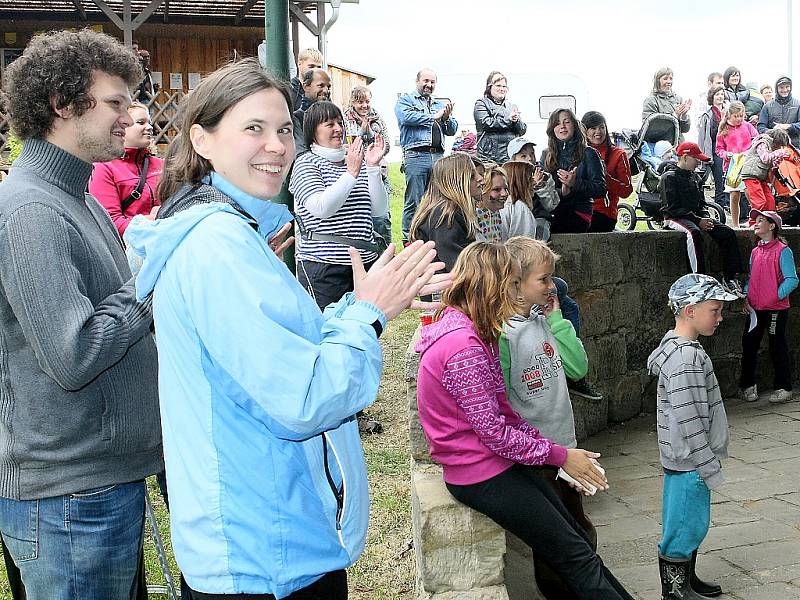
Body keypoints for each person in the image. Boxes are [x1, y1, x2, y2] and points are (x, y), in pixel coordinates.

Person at [125, 57, 448, 599]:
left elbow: (282, 352)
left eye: (283, 130)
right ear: (201, 140)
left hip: (265, 537)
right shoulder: (218, 250)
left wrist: (361, 308)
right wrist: (366, 317)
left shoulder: (235, 236)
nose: (276, 145)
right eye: (253, 128)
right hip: (264, 555)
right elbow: (302, 397)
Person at [0, 28, 162, 599]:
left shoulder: (78, 197)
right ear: (62, 105)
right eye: (115, 102)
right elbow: (75, 354)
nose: (130, 115)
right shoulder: (31, 211)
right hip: (69, 500)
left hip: (94, 487)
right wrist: (153, 282)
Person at [415, 241, 635, 600]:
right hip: (480, 473)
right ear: (494, 287)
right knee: (575, 555)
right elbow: (496, 433)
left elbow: (503, 412)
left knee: (577, 546)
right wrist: (562, 457)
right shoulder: (464, 347)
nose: (519, 294)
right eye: (514, 284)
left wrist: (555, 451)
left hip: (492, 465)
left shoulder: (474, 333)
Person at [501, 236, 599, 599]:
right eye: (543, 279)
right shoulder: (503, 335)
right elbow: (502, 402)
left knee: (579, 528)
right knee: (554, 539)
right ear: (514, 284)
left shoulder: (545, 322)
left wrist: (558, 321)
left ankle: (584, 585)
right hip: (536, 455)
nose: (551, 286)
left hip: (567, 447)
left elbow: (577, 367)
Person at [647, 273, 736, 600]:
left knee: (689, 522)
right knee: (685, 525)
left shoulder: (681, 349)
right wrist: (707, 464)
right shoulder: (686, 358)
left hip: (686, 459)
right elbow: (691, 417)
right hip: (691, 461)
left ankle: (687, 580)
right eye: (714, 310)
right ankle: (675, 592)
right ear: (689, 310)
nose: (720, 317)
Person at [289, 100, 389, 310]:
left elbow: (379, 210)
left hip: (364, 263)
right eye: (329, 124)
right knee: (330, 329)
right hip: (325, 266)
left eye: (339, 123)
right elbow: (321, 208)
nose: (338, 129)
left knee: (367, 326)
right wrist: (351, 173)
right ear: (313, 131)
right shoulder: (306, 163)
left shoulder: (353, 159)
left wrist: (371, 167)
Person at [660, 142, 746, 296]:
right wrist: (698, 220)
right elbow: (671, 208)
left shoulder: (695, 177)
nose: (699, 162)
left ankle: (731, 277)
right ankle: (699, 279)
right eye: (696, 159)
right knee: (693, 233)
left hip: (694, 217)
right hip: (674, 217)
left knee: (727, 233)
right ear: (685, 157)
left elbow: (701, 203)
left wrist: (705, 218)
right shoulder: (668, 177)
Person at [740, 210, 798, 404]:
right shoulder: (755, 251)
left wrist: (774, 296)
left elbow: (792, 279)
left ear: (772, 226)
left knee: (777, 346)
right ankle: (747, 385)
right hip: (755, 308)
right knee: (749, 344)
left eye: (761, 221)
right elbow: (751, 278)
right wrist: (747, 296)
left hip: (776, 309)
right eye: (755, 221)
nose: (756, 224)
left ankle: (784, 387)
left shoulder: (783, 251)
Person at [395, 68, 458, 241]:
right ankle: (409, 240)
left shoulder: (439, 104)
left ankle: (432, 238)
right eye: (426, 81)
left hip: (438, 157)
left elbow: (452, 129)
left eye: (432, 82)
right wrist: (433, 117)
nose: (429, 85)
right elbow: (406, 118)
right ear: (417, 82)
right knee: (414, 201)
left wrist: (446, 118)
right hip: (416, 156)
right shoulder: (406, 100)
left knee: (438, 200)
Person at [89, 101, 163, 236]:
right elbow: (109, 221)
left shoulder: (162, 165)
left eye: (149, 122)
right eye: (141, 122)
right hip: (129, 250)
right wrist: (155, 222)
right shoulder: (104, 167)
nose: (150, 127)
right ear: (123, 126)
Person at [410, 152, 480, 272]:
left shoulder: (447, 211)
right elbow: (455, 267)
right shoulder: (445, 216)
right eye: (472, 176)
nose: (481, 179)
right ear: (456, 181)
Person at [540, 108, 606, 234]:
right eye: (557, 123)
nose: (562, 126)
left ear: (575, 126)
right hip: (552, 210)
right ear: (552, 129)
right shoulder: (546, 154)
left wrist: (575, 183)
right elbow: (544, 190)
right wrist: (561, 191)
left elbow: (600, 189)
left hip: (579, 212)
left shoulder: (589, 153)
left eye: (567, 122)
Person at [343, 85, 392, 244]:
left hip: (377, 173)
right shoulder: (344, 120)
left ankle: (384, 252)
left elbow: (387, 146)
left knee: (381, 218)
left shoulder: (377, 119)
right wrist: (360, 133)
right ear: (352, 102)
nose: (364, 105)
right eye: (360, 102)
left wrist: (370, 133)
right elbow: (344, 146)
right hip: (354, 174)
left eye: (367, 101)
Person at [582, 111, 633, 232]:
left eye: (601, 127)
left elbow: (626, 191)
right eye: (593, 128)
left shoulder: (619, 154)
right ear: (584, 131)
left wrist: (605, 177)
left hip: (603, 214)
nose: (598, 132)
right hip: (580, 210)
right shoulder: (578, 153)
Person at [506, 136, 559, 241]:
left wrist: (540, 186)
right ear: (513, 160)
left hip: (538, 217)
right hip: (515, 218)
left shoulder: (545, 176)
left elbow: (551, 205)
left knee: (540, 232)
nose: (529, 159)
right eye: (523, 156)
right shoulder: (507, 177)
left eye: (532, 154)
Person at [715, 101, 757, 227]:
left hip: (747, 164)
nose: (739, 119)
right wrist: (727, 155)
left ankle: (754, 220)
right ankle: (735, 224)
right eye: (736, 116)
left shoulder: (748, 126)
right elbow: (718, 149)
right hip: (732, 167)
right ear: (729, 116)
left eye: (741, 116)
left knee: (750, 193)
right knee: (734, 196)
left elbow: (756, 139)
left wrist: (750, 151)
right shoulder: (723, 129)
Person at [474, 71, 527, 164]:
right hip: (489, 158)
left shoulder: (511, 106)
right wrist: (508, 120)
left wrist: (516, 121)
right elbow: (486, 123)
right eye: (498, 85)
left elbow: (522, 131)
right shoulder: (481, 103)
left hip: (510, 157)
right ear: (489, 87)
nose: (502, 89)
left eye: (504, 86)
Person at [741, 128, 791, 222]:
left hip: (761, 177)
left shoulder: (771, 148)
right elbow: (765, 158)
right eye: (780, 146)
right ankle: (753, 223)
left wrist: (778, 160)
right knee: (759, 201)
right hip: (752, 175)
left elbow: (770, 163)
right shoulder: (762, 143)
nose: (780, 148)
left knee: (770, 201)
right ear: (776, 142)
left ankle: (770, 222)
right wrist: (779, 153)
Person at [697, 85, 728, 208]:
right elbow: (704, 136)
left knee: (723, 182)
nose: (720, 97)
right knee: (704, 179)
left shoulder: (729, 112)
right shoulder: (707, 115)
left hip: (727, 149)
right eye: (717, 94)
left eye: (721, 94)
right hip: (712, 150)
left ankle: (722, 207)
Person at [642, 67, 692, 142]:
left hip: (679, 146)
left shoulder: (678, 99)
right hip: (661, 148)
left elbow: (685, 129)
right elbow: (650, 130)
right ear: (657, 81)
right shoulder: (651, 101)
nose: (669, 82)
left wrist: (684, 115)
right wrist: (674, 116)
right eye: (665, 79)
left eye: (671, 79)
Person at [292, 67, 332, 155]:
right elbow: (301, 155)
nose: (326, 91)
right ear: (306, 86)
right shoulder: (297, 119)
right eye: (320, 85)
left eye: (328, 87)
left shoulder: (333, 118)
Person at [499, 160, 538, 239]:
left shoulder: (501, 205)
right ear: (519, 181)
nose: (534, 183)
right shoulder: (520, 208)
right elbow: (523, 246)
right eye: (530, 178)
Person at [757, 76, 800, 147]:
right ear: (777, 89)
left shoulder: (798, 104)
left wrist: (789, 126)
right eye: (781, 87)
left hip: (794, 146)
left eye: (787, 86)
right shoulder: (767, 106)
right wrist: (773, 132)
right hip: (773, 146)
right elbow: (761, 126)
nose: (785, 90)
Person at [475, 161, 508, 243]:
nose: (505, 194)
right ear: (483, 189)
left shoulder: (496, 213)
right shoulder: (475, 217)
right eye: (496, 189)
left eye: (506, 189)